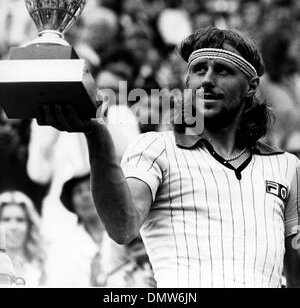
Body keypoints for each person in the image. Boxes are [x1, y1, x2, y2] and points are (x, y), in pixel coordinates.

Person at [35, 27, 300, 288]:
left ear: (251, 86)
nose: (207, 80)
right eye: (199, 70)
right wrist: (96, 134)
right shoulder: (155, 148)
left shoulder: (287, 166)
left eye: (222, 70)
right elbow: (122, 226)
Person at [46, 173, 155, 287]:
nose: (85, 195)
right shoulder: (63, 248)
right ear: (71, 203)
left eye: (91, 188)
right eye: (78, 191)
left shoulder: (132, 229)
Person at [0, 191, 46, 286]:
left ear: (30, 225)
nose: (13, 226)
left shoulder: (43, 264)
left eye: (20, 220)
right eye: (6, 219)